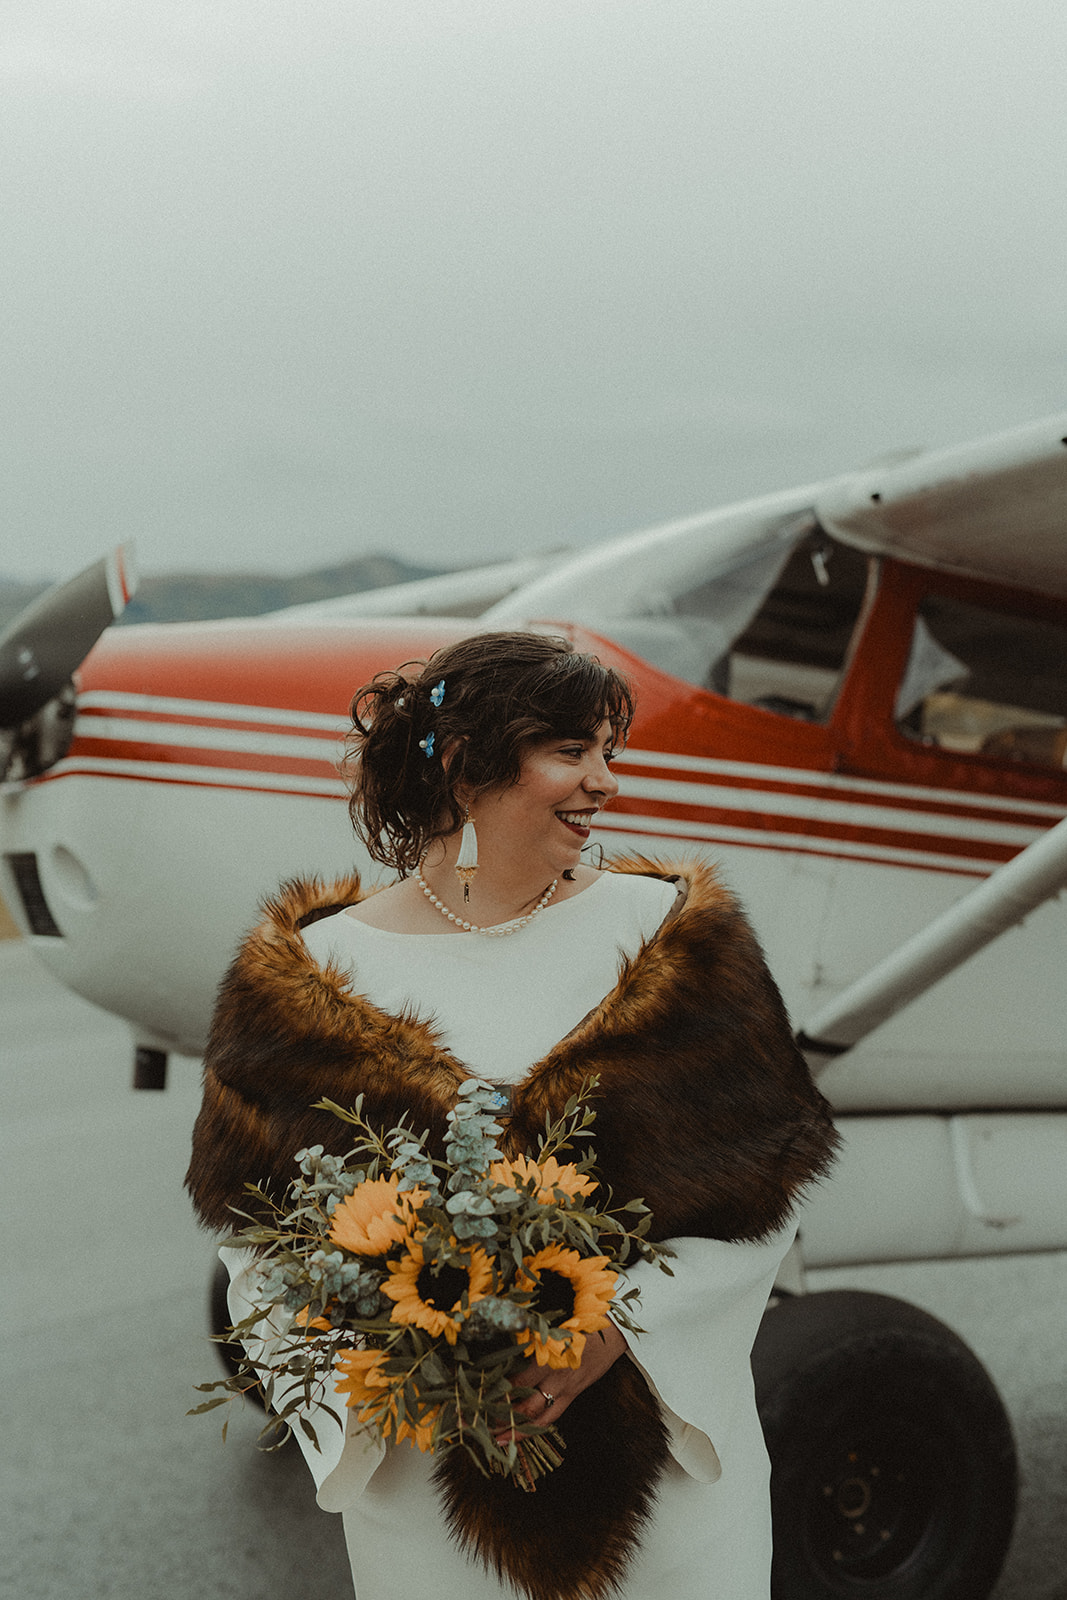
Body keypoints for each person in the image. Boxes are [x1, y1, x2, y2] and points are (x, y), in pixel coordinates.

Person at [187, 631, 838, 1600]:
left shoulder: (673, 936)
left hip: (667, 1489)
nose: (604, 781)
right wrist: (401, 1351)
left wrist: (619, 1325)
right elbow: (256, 1240)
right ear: (462, 763)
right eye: (571, 751)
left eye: (608, 751)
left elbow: (765, 1184)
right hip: (424, 1489)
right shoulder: (308, 976)